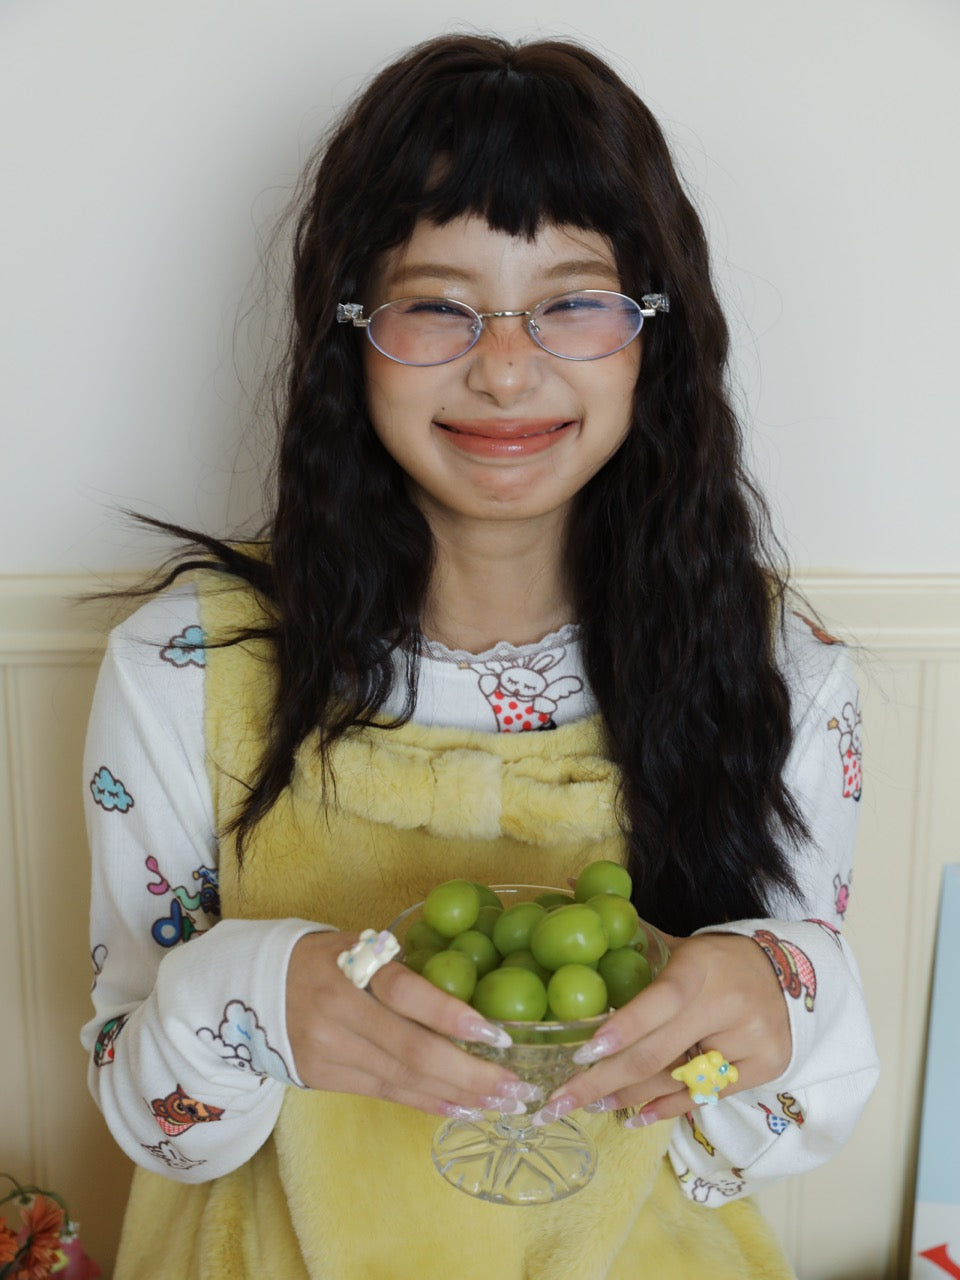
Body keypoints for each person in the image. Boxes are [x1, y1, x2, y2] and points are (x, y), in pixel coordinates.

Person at [81, 32, 879, 1280]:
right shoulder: (185, 667)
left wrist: (778, 992)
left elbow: (749, 1142)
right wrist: (255, 992)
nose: (505, 365)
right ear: (350, 332)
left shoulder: (782, 673)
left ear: (652, 336)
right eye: (437, 304)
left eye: (572, 299)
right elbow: (158, 1126)